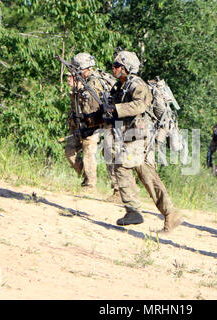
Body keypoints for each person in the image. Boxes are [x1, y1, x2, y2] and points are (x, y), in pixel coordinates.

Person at [102, 50, 181, 233]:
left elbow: (140, 105)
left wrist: (115, 109)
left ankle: (133, 210)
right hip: (131, 135)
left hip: (139, 136)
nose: (113, 69)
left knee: (121, 166)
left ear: (127, 68)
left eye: (117, 66)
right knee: (149, 178)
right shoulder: (120, 86)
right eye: (113, 66)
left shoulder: (137, 84)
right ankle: (171, 215)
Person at [64, 52, 118, 197]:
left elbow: (93, 109)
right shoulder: (81, 81)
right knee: (69, 151)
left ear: (84, 69)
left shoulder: (93, 83)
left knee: (89, 152)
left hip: (95, 125)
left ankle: (90, 185)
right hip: (80, 124)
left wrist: (81, 90)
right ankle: (87, 178)